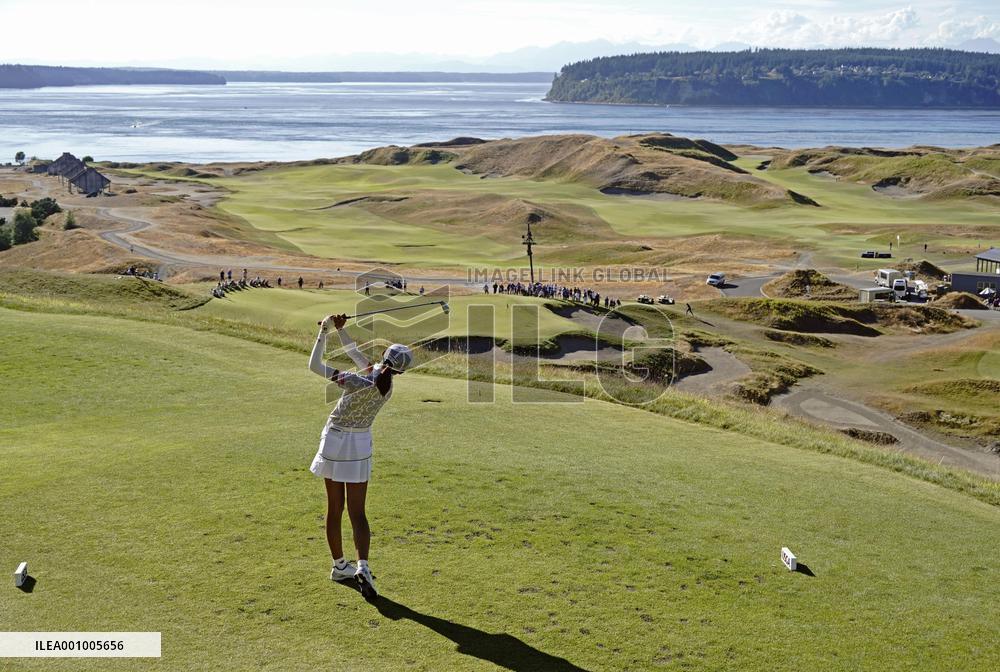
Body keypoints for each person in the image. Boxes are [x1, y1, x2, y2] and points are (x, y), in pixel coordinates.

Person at [308, 314, 413, 599]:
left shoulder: (358, 380)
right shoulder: (385, 385)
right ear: (402, 371)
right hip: (359, 446)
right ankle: (362, 566)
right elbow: (359, 357)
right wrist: (342, 332)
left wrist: (324, 331)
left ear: (383, 356)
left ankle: (340, 565)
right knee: (358, 513)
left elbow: (314, 365)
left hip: (333, 440)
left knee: (335, 508)